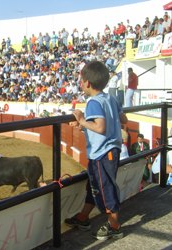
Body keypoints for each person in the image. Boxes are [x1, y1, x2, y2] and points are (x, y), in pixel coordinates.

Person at [65, 61, 128, 240]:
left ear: (87, 83)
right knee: (95, 186)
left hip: (102, 152)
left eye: (81, 80)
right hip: (110, 150)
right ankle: (83, 217)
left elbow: (100, 127)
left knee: (104, 188)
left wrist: (82, 120)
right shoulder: (110, 98)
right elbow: (124, 118)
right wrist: (85, 126)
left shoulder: (93, 101)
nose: (80, 83)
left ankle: (114, 227)